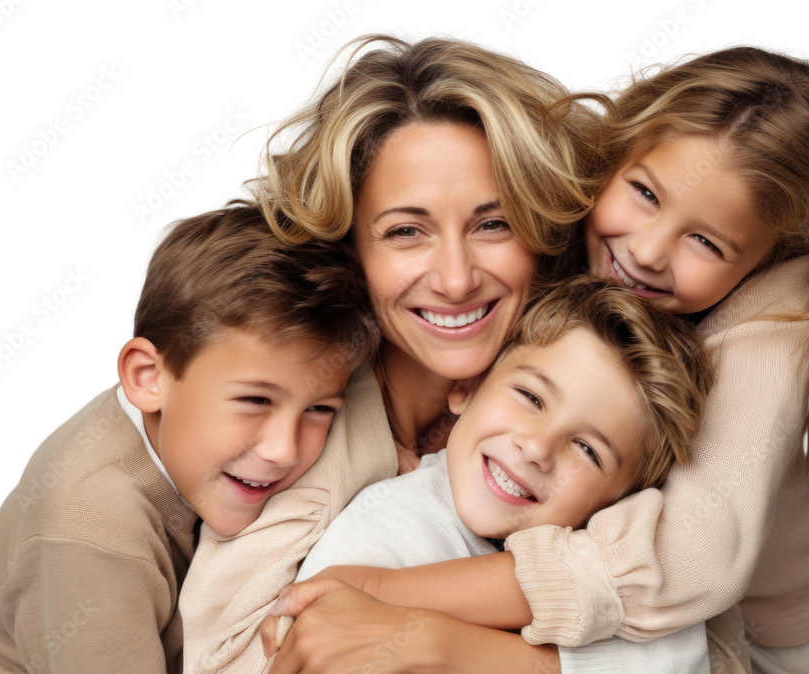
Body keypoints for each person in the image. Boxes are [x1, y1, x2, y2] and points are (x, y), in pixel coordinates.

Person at [269, 47, 809, 674]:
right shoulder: (564, 222)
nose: (649, 250)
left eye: (707, 241)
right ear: (618, 156)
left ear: (767, 258)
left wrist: (380, 593)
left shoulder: (777, 315)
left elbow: (694, 561)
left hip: (785, 637)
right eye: (645, 193)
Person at [177, 34, 606, 673]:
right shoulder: (296, 438)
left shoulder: (592, 395)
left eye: (494, 224)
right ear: (349, 249)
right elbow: (227, 659)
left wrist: (460, 652)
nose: (457, 279)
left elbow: (696, 632)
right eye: (406, 232)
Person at [0, 202, 387, 673]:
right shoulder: (88, 530)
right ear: (147, 378)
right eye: (255, 402)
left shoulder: (189, 396)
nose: (284, 449)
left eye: (320, 410)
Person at [263, 277, 715, 673]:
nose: (537, 448)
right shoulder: (379, 536)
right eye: (531, 398)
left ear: (622, 502)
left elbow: (681, 657)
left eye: (587, 450)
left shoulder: (610, 577)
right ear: (468, 388)